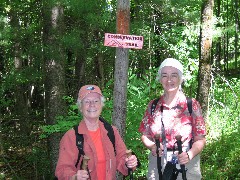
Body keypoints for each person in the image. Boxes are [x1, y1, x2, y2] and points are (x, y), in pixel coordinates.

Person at [138, 58, 206, 180]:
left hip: (186, 162)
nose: (169, 80)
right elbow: (144, 135)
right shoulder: (153, 106)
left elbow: (200, 139)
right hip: (158, 162)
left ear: (180, 78)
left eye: (174, 75)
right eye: (164, 76)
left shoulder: (191, 105)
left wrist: (189, 155)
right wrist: (153, 146)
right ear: (160, 79)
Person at [55, 85, 138, 180]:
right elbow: (62, 170)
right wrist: (74, 177)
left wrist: (129, 162)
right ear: (80, 107)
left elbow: (122, 159)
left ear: (101, 105)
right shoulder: (72, 136)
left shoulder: (111, 132)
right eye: (87, 101)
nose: (92, 104)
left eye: (96, 101)